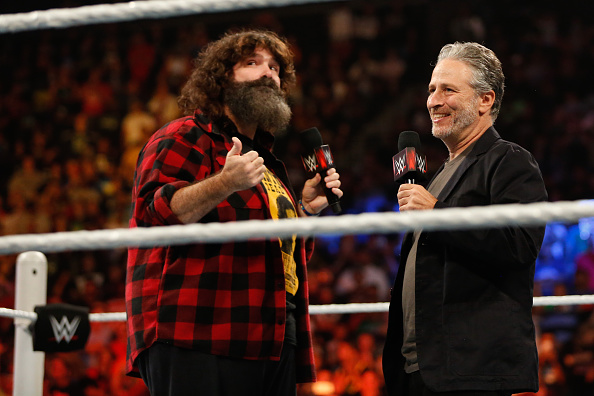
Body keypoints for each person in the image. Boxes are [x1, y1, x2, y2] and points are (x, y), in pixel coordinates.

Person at [125, 29, 342, 396]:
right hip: (198, 327)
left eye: (275, 68)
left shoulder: (270, 166)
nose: (268, 73)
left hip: (271, 334)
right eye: (252, 63)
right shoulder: (183, 135)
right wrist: (224, 182)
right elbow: (152, 212)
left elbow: (288, 256)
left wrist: (305, 209)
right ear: (222, 77)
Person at [382, 42, 548, 395]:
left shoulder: (509, 161)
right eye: (431, 89)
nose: (433, 100)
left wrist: (437, 214)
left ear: (485, 100)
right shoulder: (441, 172)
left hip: (470, 370)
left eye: (448, 89)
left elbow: (520, 244)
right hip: (422, 368)